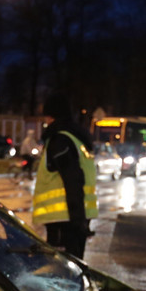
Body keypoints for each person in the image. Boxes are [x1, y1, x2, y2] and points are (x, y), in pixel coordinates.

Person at [32, 93, 97, 258]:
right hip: (74, 218)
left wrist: (77, 220)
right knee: (74, 266)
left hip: (64, 220)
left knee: (63, 273)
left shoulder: (60, 141)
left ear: (51, 115)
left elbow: (73, 179)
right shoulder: (76, 139)